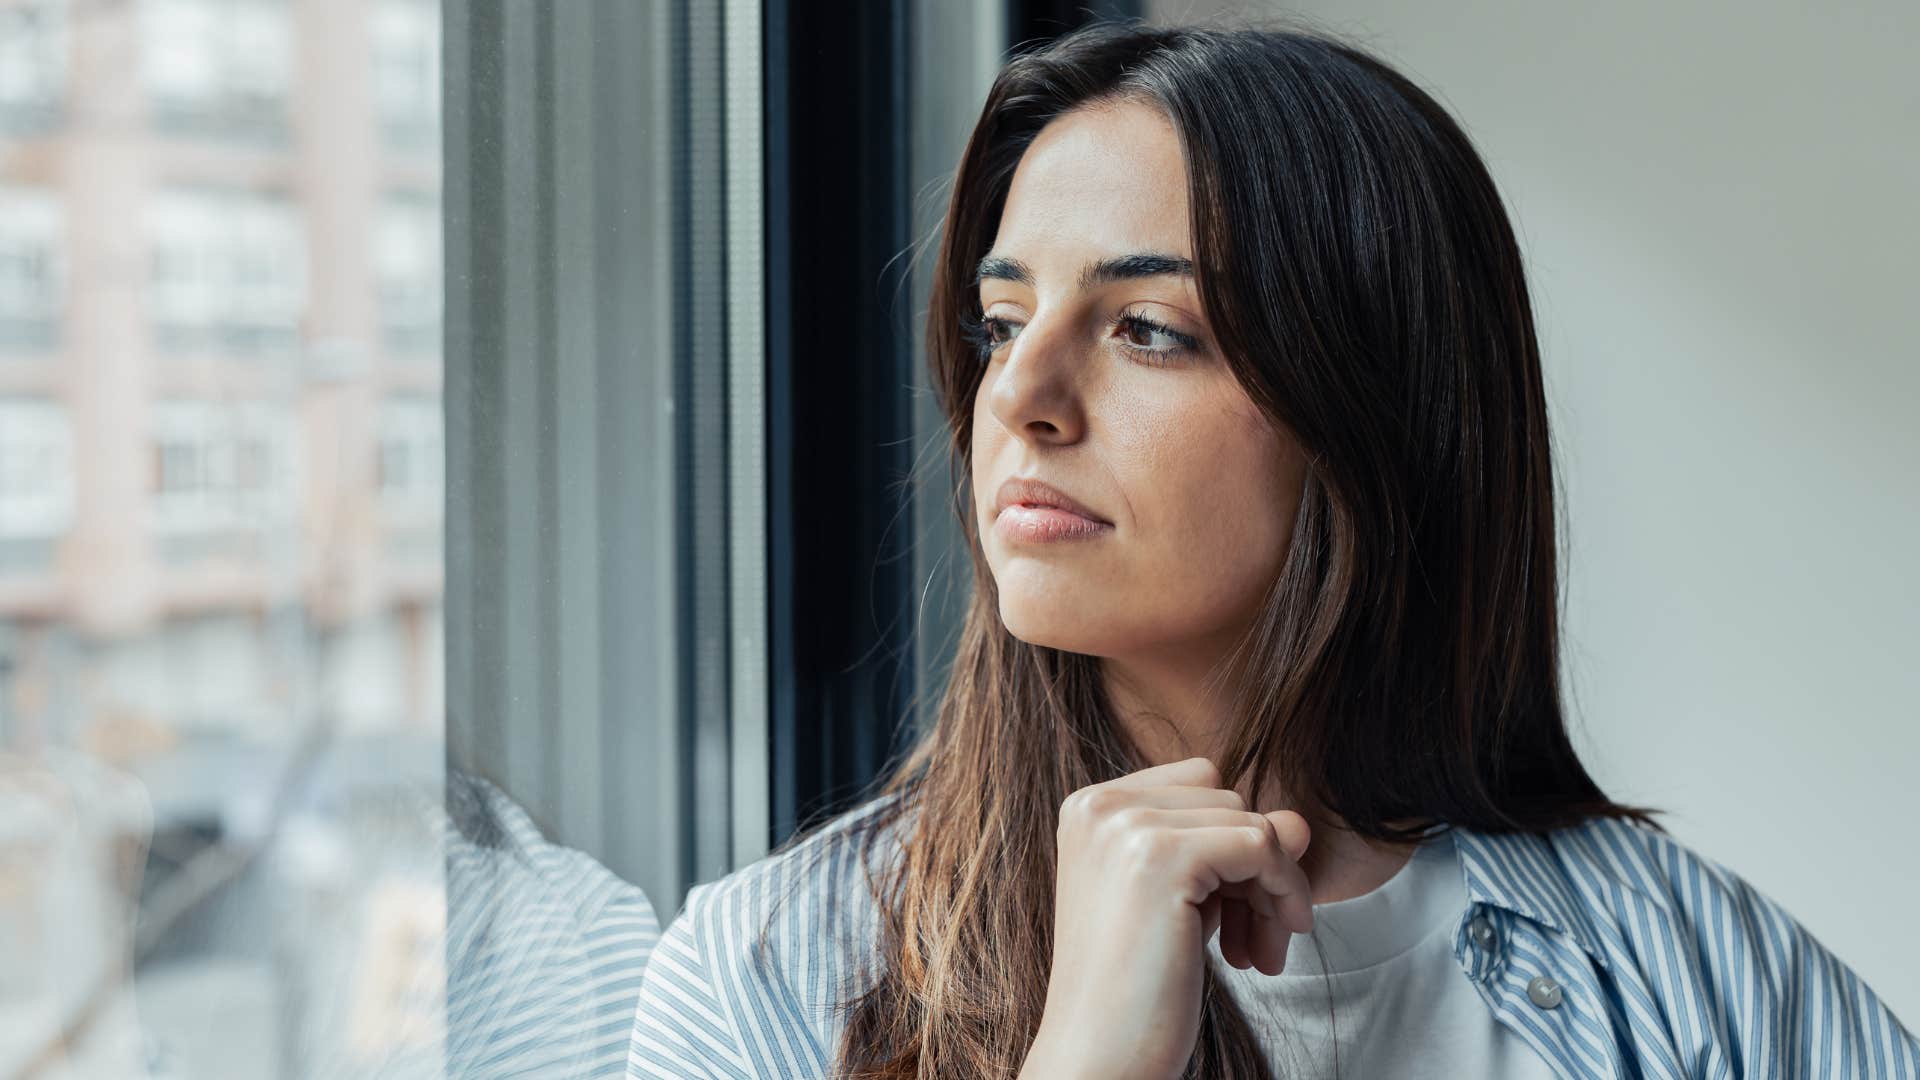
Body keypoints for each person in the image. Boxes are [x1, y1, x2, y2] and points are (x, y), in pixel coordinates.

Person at [628, 18, 1920, 1079]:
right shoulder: (767, 978)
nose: (1023, 395)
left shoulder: (1685, 966)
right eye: (999, 322)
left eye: (1146, 329)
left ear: (1372, 410)